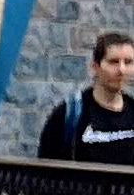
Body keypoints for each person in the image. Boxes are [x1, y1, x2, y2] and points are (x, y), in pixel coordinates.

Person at [36, 28, 134, 162]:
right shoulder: (69, 114)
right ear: (95, 67)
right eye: (114, 62)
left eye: (128, 62)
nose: (122, 70)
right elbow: (45, 173)